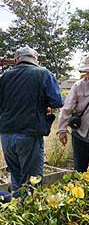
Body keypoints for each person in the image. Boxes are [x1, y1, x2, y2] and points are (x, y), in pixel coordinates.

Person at [0, 46, 63, 195]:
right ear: (35, 60)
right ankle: (29, 212)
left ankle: (17, 212)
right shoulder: (43, 73)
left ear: (17, 60)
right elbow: (57, 101)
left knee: (16, 177)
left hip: (6, 135)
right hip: (29, 134)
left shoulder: (4, 77)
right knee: (32, 182)